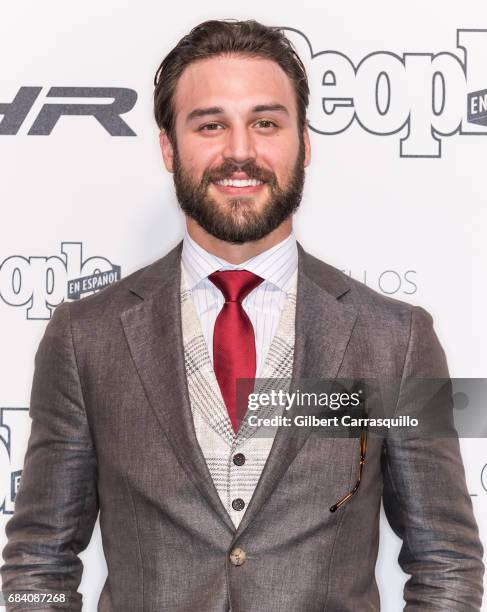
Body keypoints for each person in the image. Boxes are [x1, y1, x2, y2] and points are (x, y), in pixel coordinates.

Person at [1, 19, 484, 612]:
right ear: (167, 147)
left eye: (265, 122)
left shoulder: (401, 338)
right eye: (210, 125)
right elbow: (37, 562)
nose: (239, 151)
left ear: (304, 142)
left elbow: (449, 561)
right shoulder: (84, 337)